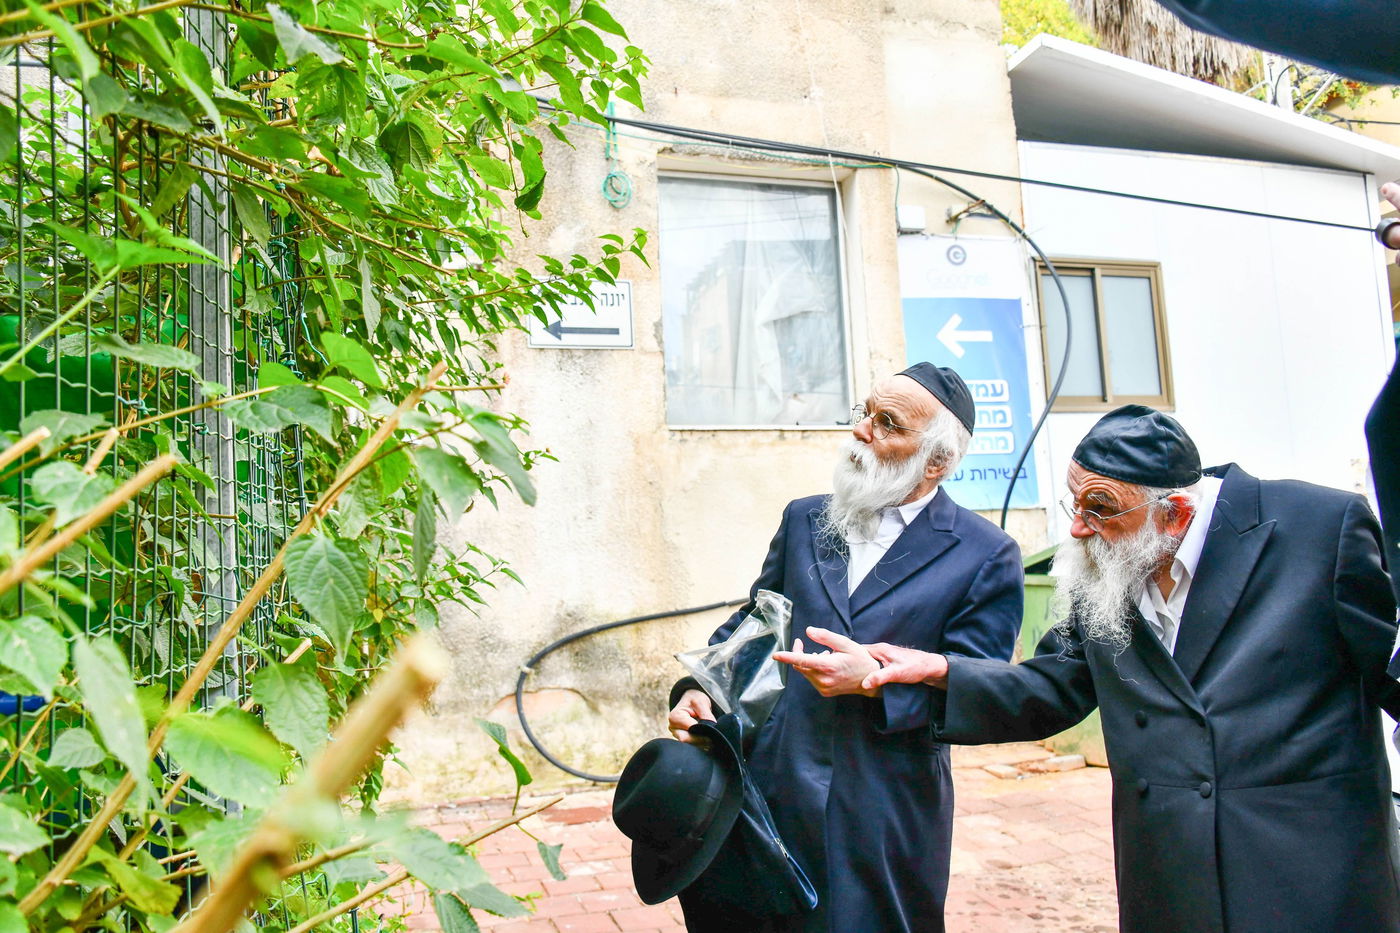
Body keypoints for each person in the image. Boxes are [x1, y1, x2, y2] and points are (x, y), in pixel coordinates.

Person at [779, 405, 1400, 933]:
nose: (1078, 527)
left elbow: (1391, 668)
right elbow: (1055, 683)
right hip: (1169, 873)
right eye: (1074, 501)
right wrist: (935, 670)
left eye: (1099, 507)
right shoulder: (1113, 557)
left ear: (1176, 514)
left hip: (1309, 864)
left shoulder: (1320, 529)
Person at [666, 363, 1024, 933]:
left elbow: (974, 690)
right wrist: (701, 687)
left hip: (880, 800)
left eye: (887, 423)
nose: (862, 431)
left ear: (936, 463)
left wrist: (875, 682)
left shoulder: (986, 554)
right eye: (864, 413)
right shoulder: (807, 517)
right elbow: (760, 622)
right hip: (772, 778)